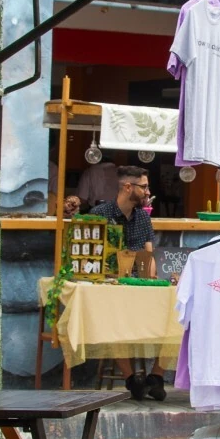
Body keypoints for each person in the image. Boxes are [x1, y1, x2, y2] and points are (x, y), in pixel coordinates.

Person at [91, 166, 159, 390]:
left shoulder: (143, 218)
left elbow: (149, 256)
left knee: (175, 315)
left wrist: (150, 278)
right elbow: (93, 258)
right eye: (144, 187)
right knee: (112, 320)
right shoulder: (100, 215)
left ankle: (156, 377)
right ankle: (132, 379)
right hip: (111, 290)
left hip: (139, 289)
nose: (148, 192)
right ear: (128, 187)